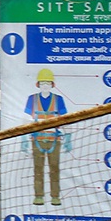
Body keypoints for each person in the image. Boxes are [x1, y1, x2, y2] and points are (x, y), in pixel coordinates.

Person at [26, 68, 69, 205]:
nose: (45, 86)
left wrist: (68, 137)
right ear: (38, 84)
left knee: (54, 169)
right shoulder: (32, 99)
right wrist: (23, 140)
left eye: (48, 83)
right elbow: (25, 119)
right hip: (37, 139)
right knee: (38, 170)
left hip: (54, 140)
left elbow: (66, 119)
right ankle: (39, 196)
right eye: (43, 83)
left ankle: (55, 196)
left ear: (52, 85)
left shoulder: (58, 100)